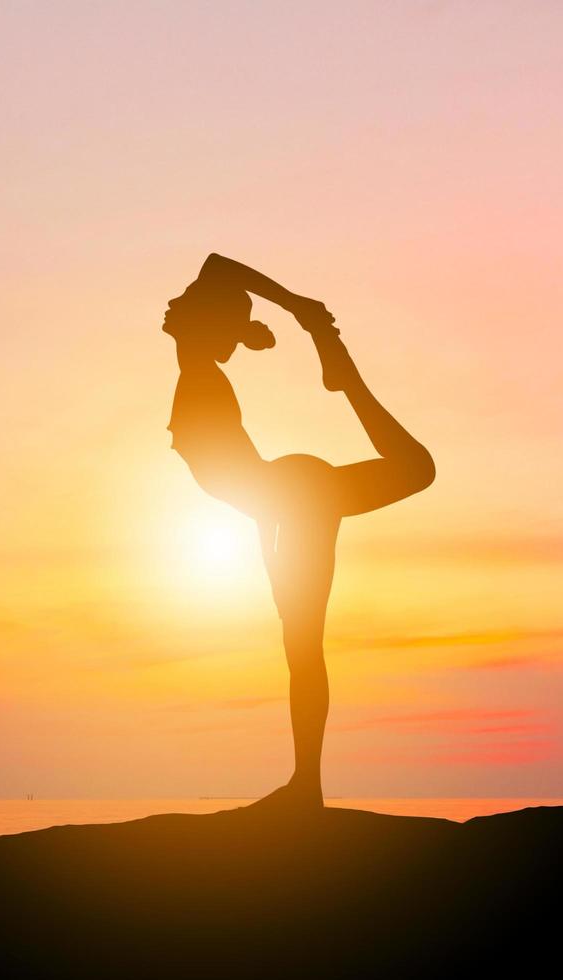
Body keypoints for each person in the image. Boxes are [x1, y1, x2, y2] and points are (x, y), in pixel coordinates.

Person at [164, 254, 435, 806]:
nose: (235, 349)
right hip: (289, 497)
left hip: (295, 497)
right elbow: (219, 268)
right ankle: (305, 784)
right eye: (232, 334)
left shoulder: (198, 363)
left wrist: (293, 310)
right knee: (303, 642)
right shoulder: (194, 359)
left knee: (304, 643)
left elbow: (220, 268)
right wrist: (271, 318)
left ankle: (306, 786)